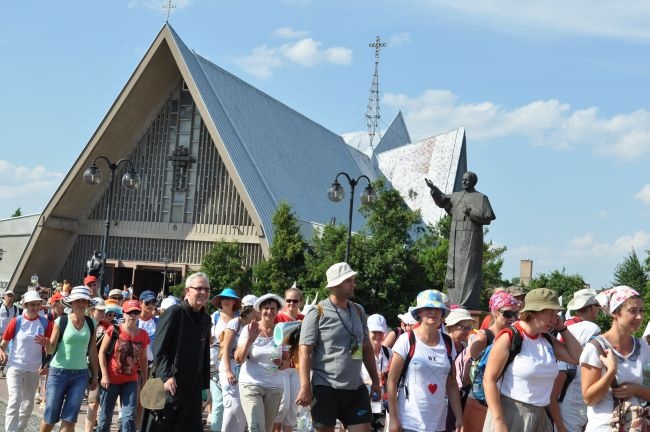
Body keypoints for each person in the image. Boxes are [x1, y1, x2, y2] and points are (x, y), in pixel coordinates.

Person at [482, 288, 582, 432]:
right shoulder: (510, 337)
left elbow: (577, 357)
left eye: (556, 315)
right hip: (511, 413)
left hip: (540, 416)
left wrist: (562, 328)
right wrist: (499, 421)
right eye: (550, 314)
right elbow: (489, 380)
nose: (555, 319)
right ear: (534, 312)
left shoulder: (546, 339)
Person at [296, 262, 380, 432]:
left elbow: (365, 347)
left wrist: (376, 381)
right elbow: (304, 352)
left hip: (355, 387)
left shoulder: (358, 311)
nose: (354, 284)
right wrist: (305, 386)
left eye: (353, 280)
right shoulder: (317, 312)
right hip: (325, 388)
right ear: (335, 284)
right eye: (349, 280)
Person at [141, 272, 211, 432]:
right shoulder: (174, 313)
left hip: (193, 390)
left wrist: (205, 387)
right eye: (199, 288)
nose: (203, 293)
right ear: (187, 291)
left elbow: (204, 354)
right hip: (171, 387)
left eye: (206, 289)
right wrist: (166, 377)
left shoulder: (205, 319)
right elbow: (159, 348)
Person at [386, 290, 463, 432]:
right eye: (428, 308)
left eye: (437, 309)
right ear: (419, 313)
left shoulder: (447, 342)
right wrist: (394, 419)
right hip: (409, 423)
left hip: (438, 424)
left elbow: (451, 383)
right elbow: (392, 381)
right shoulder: (406, 340)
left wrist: (459, 416)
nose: (433, 312)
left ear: (442, 313)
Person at [581, 285, 650, 432]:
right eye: (632, 311)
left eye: (641, 311)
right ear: (615, 313)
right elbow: (589, 399)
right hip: (603, 427)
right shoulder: (595, 348)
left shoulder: (642, 347)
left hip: (634, 426)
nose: (639, 317)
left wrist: (636, 390)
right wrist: (611, 371)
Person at [425, 172, 496, 310]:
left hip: (471, 240)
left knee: (469, 270)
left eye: (467, 180)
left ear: (473, 182)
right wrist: (433, 189)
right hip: (455, 238)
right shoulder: (456, 196)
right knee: (454, 270)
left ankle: (466, 305)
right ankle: (453, 303)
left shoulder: (481, 198)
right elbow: (443, 200)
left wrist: (470, 213)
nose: (464, 182)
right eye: (463, 180)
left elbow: (487, 219)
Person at [35, 286, 99, 432]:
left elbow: (93, 351)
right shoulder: (61, 321)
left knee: (70, 419)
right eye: (77, 301)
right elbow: (51, 349)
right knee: (50, 418)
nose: (81, 304)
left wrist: (95, 375)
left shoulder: (91, 323)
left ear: (88, 303)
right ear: (71, 303)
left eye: (84, 301)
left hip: (80, 375)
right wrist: (46, 344)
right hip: (58, 373)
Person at [0, 290, 53, 432]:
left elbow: (53, 347)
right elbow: (3, 344)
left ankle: (19, 429)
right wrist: (2, 352)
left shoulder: (45, 323)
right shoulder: (16, 322)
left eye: (37, 304)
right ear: (25, 305)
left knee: (28, 405)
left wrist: (45, 344)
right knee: (14, 400)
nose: (34, 307)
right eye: (31, 304)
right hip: (15, 367)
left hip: (34, 369)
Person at [235, 293, 288, 432]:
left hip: (274, 387)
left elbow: (287, 361)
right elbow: (238, 359)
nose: (269, 312)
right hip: (251, 385)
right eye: (266, 308)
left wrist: (281, 363)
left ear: (277, 311)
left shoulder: (281, 331)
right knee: (257, 428)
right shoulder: (249, 329)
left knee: (267, 429)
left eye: (273, 308)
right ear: (260, 310)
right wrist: (250, 340)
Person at [550, 289, 601, 432]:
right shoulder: (588, 330)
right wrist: (560, 427)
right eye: (597, 305)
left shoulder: (570, 325)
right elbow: (553, 397)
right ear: (591, 307)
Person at [98, 300, 149, 432]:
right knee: (105, 418)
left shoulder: (143, 335)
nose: (132, 315)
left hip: (130, 381)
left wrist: (145, 380)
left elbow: (143, 359)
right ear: (124, 314)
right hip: (111, 379)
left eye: (136, 312)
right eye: (130, 312)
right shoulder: (114, 330)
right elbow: (102, 353)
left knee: (128, 418)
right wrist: (104, 375)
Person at [219, 294, 258, 432]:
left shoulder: (254, 326)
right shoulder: (235, 323)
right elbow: (225, 349)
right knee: (233, 406)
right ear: (251, 309)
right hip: (228, 366)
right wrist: (228, 371)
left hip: (243, 368)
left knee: (241, 407)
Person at [209, 287, 241, 432]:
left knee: (234, 403)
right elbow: (208, 340)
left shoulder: (240, 318)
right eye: (223, 299)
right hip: (215, 364)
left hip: (236, 364)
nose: (225, 301)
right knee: (219, 403)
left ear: (234, 302)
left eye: (229, 299)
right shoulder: (214, 317)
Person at [274, 286, 304, 432]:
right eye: (288, 300)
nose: (291, 303)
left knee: (292, 407)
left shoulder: (304, 320)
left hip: (298, 367)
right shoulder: (278, 318)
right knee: (282, 405)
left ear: (300, 302)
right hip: (282, 367)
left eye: (295, 300)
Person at [363, 314, 391, 430]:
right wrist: (371, 381)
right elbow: (350, 375)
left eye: (381, 332)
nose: (378, 336)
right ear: (367, 331)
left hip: (381, 404)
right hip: (361, 400)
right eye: (374, 332)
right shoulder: (356, 350)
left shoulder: (390, 353)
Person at [85, 298, 110, 432]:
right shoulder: (83, 323)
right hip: (80, 366)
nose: (102, 313)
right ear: (91, 310)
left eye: (104, 311)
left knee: (94, 402)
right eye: (99, 310)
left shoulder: (108, 327)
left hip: (98, 369)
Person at [0, 289, 21, 377]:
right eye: (8, 295)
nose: (10, 297)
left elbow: (17, 322)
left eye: (11, 296)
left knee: (9, 352)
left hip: (10, 335)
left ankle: (2, 369)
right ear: (4, 296)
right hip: (0, 333)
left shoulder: (16, 309)